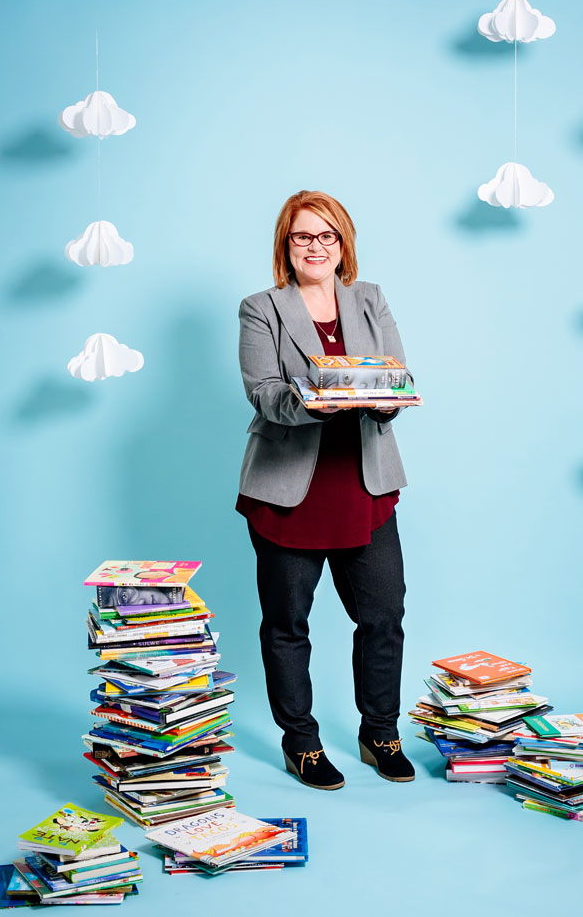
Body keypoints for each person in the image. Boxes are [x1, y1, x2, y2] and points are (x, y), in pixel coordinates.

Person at [235, 190, 415, 790]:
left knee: (384, 617)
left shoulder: (371, 299)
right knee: (287, 624)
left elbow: (396, 376)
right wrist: (319, 397)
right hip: (289, 493)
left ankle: (379, 733)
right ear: (286, 245)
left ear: (344, 244)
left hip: (364, 485)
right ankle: (302, 745)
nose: (316, 247)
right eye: (302, 237)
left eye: (327, 236)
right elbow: (263, 392)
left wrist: (385, 398)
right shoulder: (260, 308)